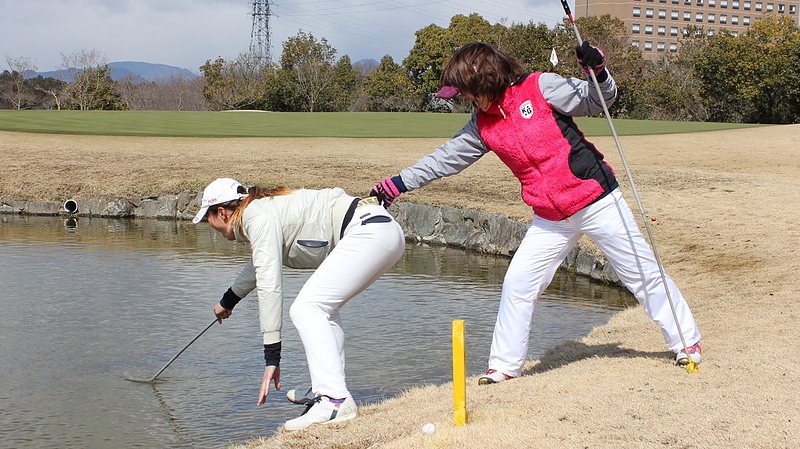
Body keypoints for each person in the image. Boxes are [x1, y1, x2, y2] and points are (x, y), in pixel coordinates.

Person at [369, 42, 702, 385]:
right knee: (518, 284)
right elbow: (446, 158)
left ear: (485, 79)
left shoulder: (542, 86)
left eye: (467, 92)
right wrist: (398, 184)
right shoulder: (482, 122)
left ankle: (686, 342)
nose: (465, 99)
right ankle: (504, 366)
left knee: (641, 272)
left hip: (596, 197)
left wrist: (598, 70)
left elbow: (597, 99)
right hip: (550, 216)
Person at [193, 178, 405, 430]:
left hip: (369, 233)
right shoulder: (260, 210)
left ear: (221, 212)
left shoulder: (255, 215)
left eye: (207, 218)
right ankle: (328, 391)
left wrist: (272, 356)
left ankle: (335, 401)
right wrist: (228, 301)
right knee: (324, 309)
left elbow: (269, 283)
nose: (209, 224)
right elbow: (259, 264)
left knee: (306, 308)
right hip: (381, 232)